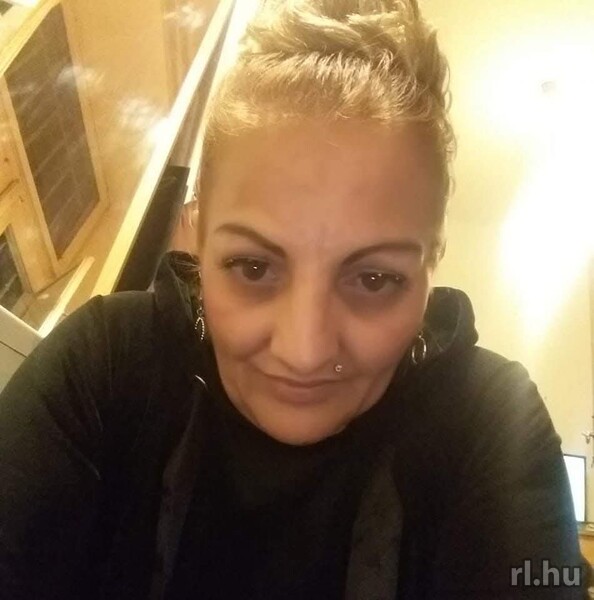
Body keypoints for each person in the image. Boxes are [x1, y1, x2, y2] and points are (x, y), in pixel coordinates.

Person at [0, 1, 589, 598]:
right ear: (198, 244)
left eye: (374, 280)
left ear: (431, 267)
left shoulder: (488, 421)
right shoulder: (108, 364)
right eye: (253, 267)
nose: (304, 351)